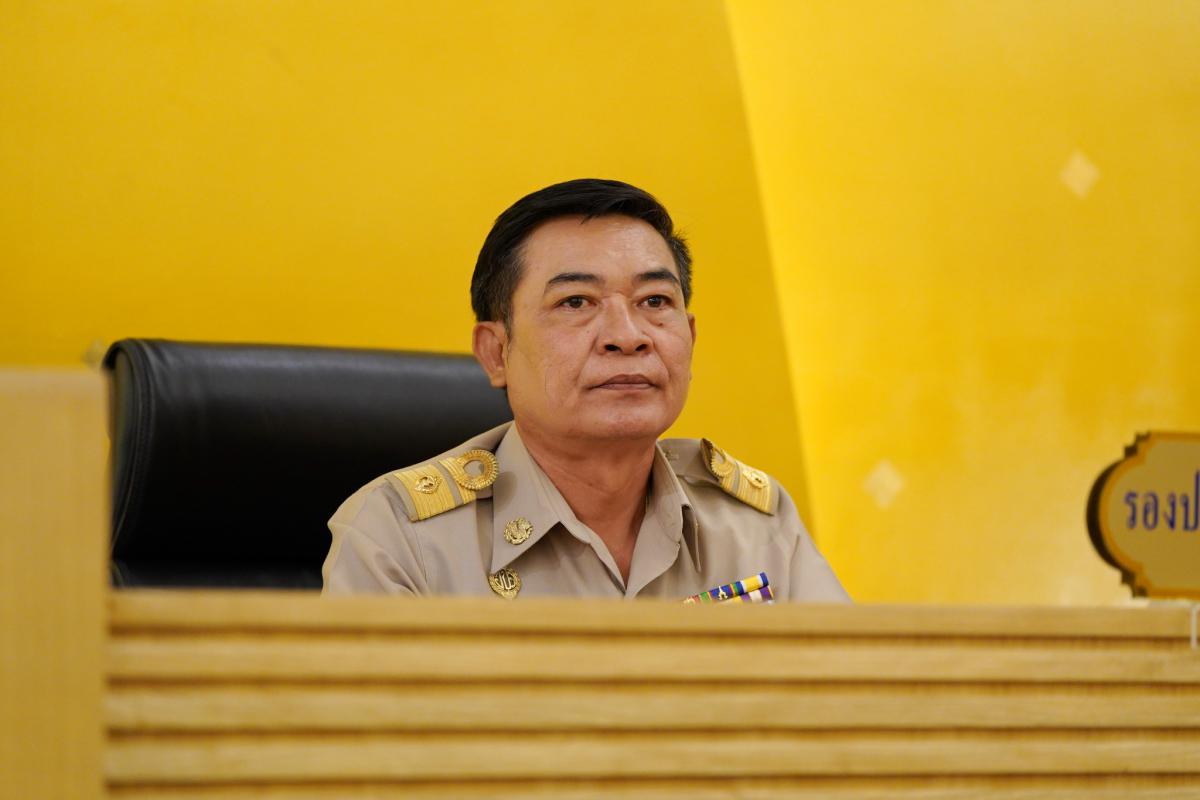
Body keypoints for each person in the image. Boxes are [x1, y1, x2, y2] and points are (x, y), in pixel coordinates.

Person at [323, 178, 849, 602]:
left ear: (690, 336)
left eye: (654, 301)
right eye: (576, 302)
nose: (628, 336)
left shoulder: (753, 524)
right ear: (495, 352)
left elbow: (850, 696)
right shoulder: (401, 535)